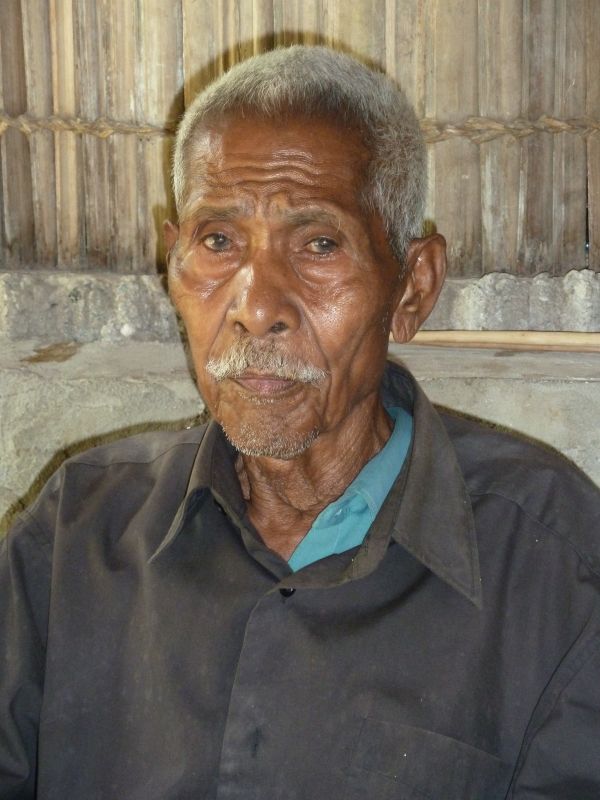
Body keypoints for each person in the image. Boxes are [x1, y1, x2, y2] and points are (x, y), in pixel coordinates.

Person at [1, 46, 599, 800]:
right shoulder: (73, 537)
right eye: (219, 242)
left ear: (412, 288)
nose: (256, 307)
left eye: (319, 245)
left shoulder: (557, 567)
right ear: (174, 265)